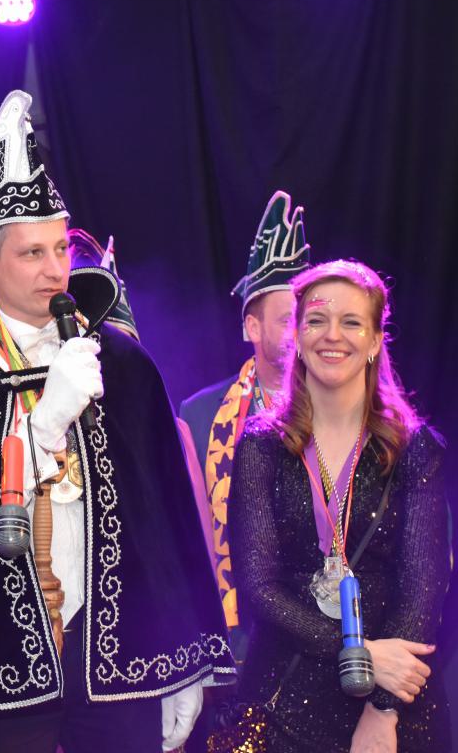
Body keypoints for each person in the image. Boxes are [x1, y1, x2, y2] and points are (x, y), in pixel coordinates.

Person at [0, 90, 233, 752]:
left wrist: (182, 664)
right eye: (32, 253)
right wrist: (45, 423)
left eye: (60, 248)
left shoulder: (123, 365)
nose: (56, 269)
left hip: (117, 657)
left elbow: (164, 526)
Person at [214, 259, 450, 752]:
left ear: (375, 340)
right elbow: (259, 587)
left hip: (393, 699)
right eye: (317, 320)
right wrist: (359, 653)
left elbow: (423, 588)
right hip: (282, 695)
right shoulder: (261, 446)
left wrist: (382, 709)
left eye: (351, 322)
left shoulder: (412, 448)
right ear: (297, 337)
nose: (332, 335)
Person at [178, 190, 311, 650]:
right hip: (241, 637)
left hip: (332, 629)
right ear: (252, 328)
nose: (303, 333)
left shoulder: (346, 406)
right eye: (288, 320)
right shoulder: (200, 417)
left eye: (311, 319)